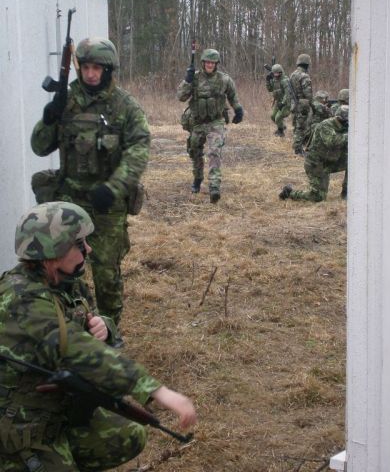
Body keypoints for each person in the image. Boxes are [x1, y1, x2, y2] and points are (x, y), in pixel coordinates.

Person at [0, 201, 197, 472]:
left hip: (57, 402)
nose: (89, 249)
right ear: (54, 251)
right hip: (21, 420)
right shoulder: (21, 299)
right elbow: (75, 348)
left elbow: (88, 323)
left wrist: (105, 327)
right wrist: (153, 389)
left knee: (127, 436)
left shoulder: (64, 282)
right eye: (79, 243)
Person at [30, 37, 150, 330]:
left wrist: (114, 187)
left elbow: (139, 150)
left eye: (97, 68)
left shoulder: (124, 106)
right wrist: (49, 118)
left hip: (106, 205)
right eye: (85, 67)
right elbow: (39, 147)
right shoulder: (67, 101)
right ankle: (67, 329)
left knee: (106, 274)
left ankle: (109, 332)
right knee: (63, 270)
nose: (91, 74)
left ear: (108, 70)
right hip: (69, 203)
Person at [177, 48, 243, 203]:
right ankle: (197, 178)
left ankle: (214, 186)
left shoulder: (224, 79)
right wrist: (187, 81)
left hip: (216, 121)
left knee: (214, 151)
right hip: (198, 122)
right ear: (203, 63)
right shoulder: (194, 78)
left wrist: (238, 110)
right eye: (207, 62)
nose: (210, 65)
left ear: (216, 64)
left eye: (213, 62)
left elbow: (233, 96)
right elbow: (181, 97)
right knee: (194, 151)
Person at [279, 105, 348, 202]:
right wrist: (350, 135)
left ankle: (347, 191)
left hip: (330, 161)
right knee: (318, 197)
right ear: (340, 118)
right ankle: (289, 193)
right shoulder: (326, 125)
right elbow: (332, 141)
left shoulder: (344, 127)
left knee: (353, 162)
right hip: (316, 164)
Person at [289, 53, 313, 155]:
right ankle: (298, 149)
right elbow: (308, 94)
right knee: (301, 127)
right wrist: (312, 104)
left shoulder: (292, 75)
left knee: (296, 125)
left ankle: (298, 146)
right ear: (307, 64)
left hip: (294, 103)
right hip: (303, 105)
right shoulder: (304, 76)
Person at [265, 63, 291, 137]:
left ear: (280, 72)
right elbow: (270, 89)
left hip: (286, 103)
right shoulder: (274, 80)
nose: (275, 75)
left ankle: (281, 132)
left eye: (277, 73)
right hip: (278, 102)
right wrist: (268, 80)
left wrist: (283, 103)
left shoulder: (285, 80)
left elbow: (288, 94)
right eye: (274, 73)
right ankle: (282, 126)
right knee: (273, 116)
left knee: (278, 117)